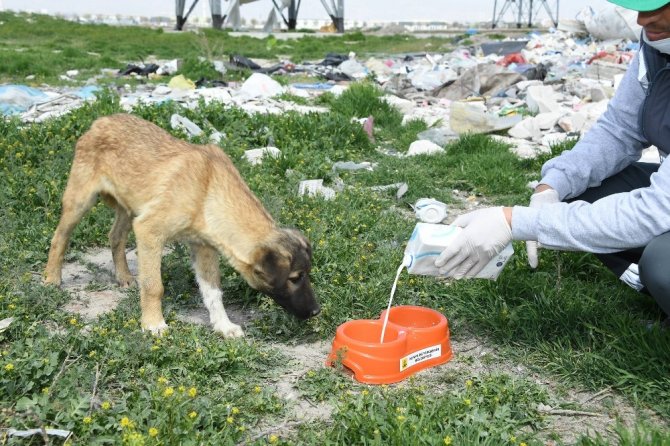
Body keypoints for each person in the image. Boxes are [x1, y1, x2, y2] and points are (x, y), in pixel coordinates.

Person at [435, 0, 670, 321]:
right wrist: (552, 184)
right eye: (640, 6)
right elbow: (619, 130)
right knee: (578, 189)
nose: (644, 19)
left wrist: (514, 221)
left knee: (662, 264)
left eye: (662, 4)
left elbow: (657, 211)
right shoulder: (658, 45)